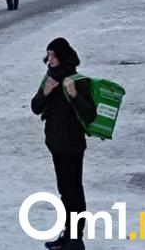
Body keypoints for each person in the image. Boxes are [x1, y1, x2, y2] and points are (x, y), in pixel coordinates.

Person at [30, 38, 97, 249]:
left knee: (74, 190)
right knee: (64, 190)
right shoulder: (50, 79)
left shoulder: (77, 80)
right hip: (55, 143)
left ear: (62, 56)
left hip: (73, 143)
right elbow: (36, 107)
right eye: (48, 55)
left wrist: (75, 95)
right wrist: (45, 92)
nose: (49, 59)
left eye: (53, 55)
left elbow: (90, 114)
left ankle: (76, 238)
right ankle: (67, 234)